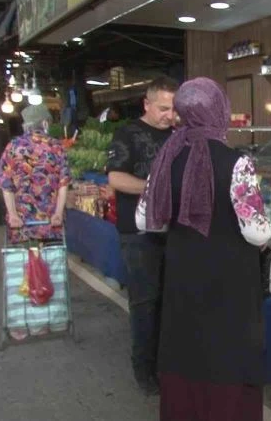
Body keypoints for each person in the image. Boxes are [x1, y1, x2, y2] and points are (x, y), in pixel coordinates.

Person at [140, 78, 271, 421]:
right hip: (228, 283)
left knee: (188, 350)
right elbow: (256, 232)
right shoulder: (237, 162)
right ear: (219, 110)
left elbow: (145, 220)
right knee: (226, 354)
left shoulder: (167, 156)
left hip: (184, 275)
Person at [106, 76, 178, 395]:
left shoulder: (179, 135)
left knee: (170, 300)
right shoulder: (127, 134)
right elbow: (117, 179)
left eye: (174, 109)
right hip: (138, 234)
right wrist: (155, 188)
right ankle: (144, 371)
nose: (169, 115)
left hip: (173, 231)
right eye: (163, 108)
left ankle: (167, 363)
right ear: (146, 104)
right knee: (145, 302)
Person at [0, 104, 70, 244]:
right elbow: (63, 185)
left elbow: (5, 184)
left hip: (21, 222)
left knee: (22, 262)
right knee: (52, 260)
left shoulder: (13, 147)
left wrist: (13, 215)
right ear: (45, 123)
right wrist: (58, 213)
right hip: (51, 222)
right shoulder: (57, 147)